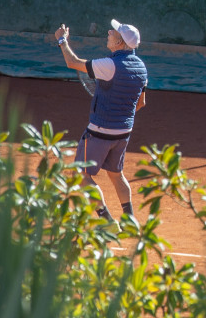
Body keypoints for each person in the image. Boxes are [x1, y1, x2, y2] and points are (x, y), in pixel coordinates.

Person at [52, 19, 148, 220]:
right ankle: (130, 220)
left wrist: (62, 40)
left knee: (81, 175)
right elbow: (141, 103)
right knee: (116, 175)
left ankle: (107, 220)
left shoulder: (109, 65)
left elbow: (73, 62)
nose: (109, 33)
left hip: (99, 131)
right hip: (123, 132)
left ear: (120, 42)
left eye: (113, 32)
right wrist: (120, 116)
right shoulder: (141, 68)